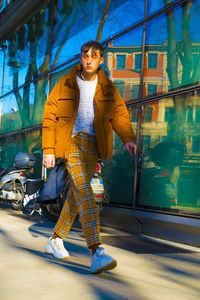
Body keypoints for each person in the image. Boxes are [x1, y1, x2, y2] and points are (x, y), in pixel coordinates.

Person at [42, 40, 136, 274]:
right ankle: (97, 251)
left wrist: (128, 138)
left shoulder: (108, 88)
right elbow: (49, 114)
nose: (89, 59)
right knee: (85, 190)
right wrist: (49, 149)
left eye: (94, 56)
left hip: (94, 145)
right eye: (85, 55)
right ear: (80, 58)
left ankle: (55, 239)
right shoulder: (65, 83)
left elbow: (120, 115)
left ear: (101, 60)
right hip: (72, 140)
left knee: (76, 195)